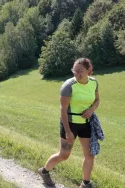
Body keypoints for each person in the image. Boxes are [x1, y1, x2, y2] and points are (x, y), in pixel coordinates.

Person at [38, 58, 100, 188]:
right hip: (70, 124)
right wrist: (67, 131)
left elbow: (97, 100)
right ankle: (44, 171)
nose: (76, 74)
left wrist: (91, 110)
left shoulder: (94, 83)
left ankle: (85, 183)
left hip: (86, 124)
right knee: (64, 155)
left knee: (90, 155)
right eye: (74, 70)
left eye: (80, 71)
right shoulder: (69, 85)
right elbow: (63, 109)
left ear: (89, 70)